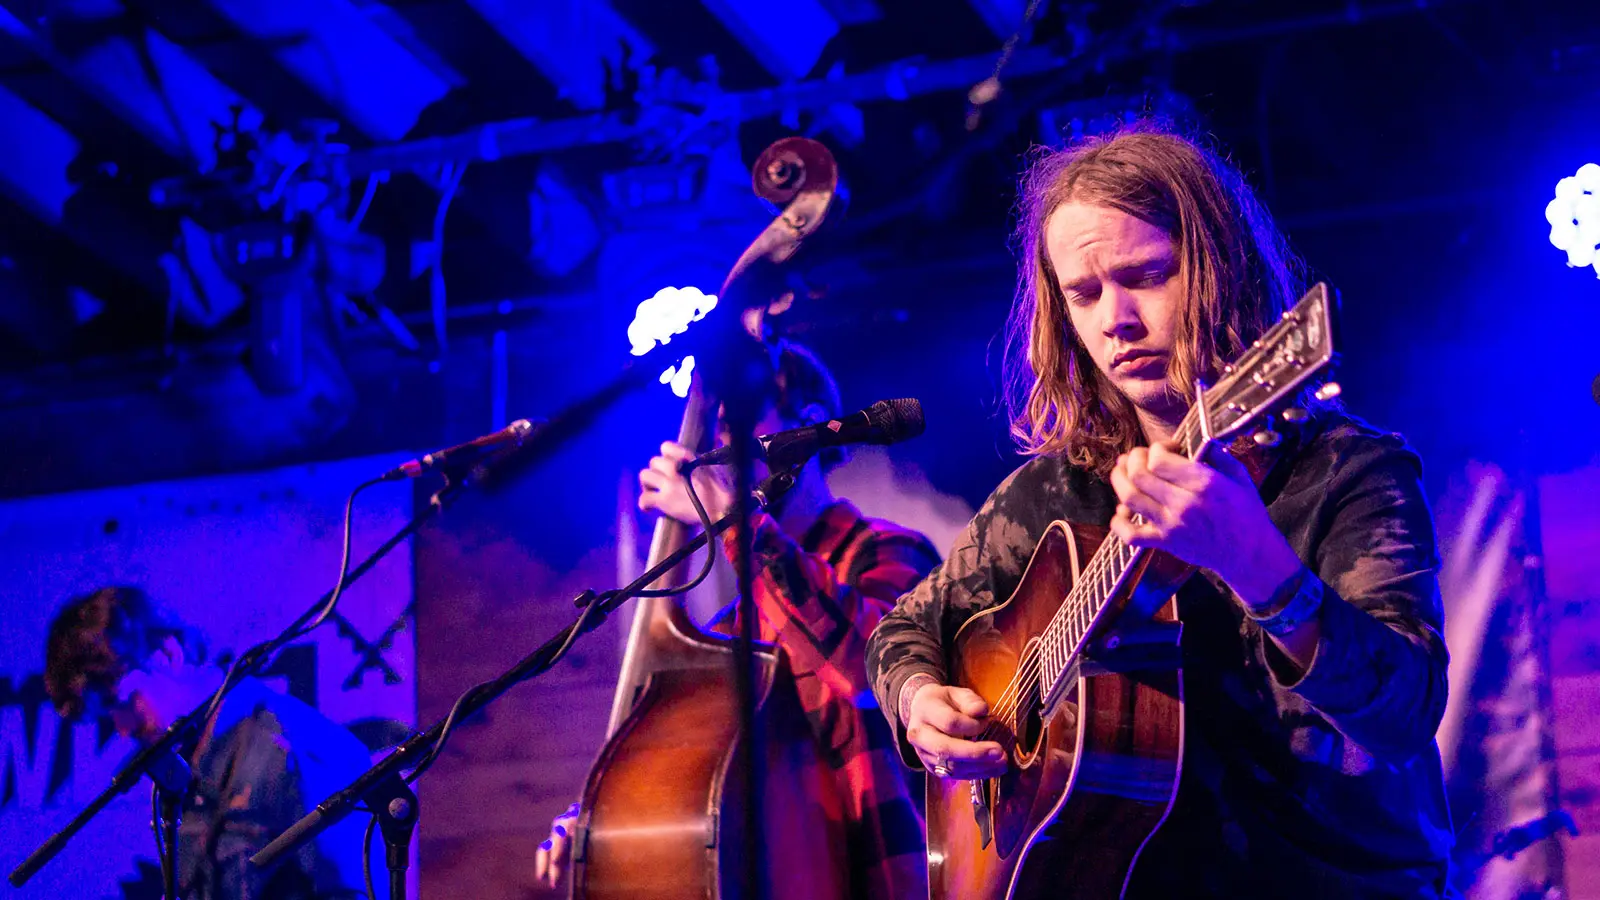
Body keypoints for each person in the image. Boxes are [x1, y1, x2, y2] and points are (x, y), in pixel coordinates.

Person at [864, 126, 1455, 898]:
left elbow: (1405, 716)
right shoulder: (1053, 494)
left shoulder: (1347, 470)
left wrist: (1260, 568)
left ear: (1221, 271)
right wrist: (919, 702)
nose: (1115, 319)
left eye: (1145, 275)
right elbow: (902, 630)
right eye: (1084, 293)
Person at [534, 340, 941, 899]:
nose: (719, 449)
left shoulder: (891, 554)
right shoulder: (730, 635)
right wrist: (595, 820)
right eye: (716, 434)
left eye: (734, 426)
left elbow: (867, 668)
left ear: (813, 424)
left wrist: (732, 520)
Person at [44, 586, 375, 900]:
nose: (123, 729)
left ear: (166, 653)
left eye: (125, 702)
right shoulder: (181, 769)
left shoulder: (284, 744)